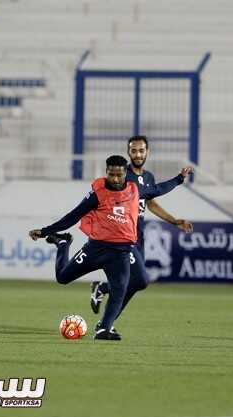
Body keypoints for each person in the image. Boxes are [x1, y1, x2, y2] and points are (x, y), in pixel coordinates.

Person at [28, 155, 193, 340]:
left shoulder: (134, 189)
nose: (115, 179)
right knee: (63, 278)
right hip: (95, 249)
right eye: (111, 174)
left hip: (121, 253)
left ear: (125, 174)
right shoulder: (98, 194)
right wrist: (44, 232)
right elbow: (72, 216)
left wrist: (179, 179)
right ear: (106, 172)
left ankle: (103, 329)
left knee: (120, 290)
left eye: (119, 175)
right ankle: (63, 243)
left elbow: (158, 189)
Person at [90, 136, 194, 338]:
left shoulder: (148, 177)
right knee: (140, 280)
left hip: (139, 236)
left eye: (141, 151)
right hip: (122, 238)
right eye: (134, 151)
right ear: (128, 152)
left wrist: (173, 221)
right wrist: (178, 179)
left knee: (135, 282)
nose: (138, 155)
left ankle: (104, 308)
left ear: (148, 152)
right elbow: (153, 191)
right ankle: (104, 321)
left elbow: (150, 201)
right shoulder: (122, 176)